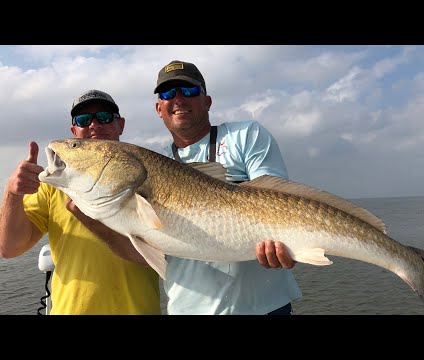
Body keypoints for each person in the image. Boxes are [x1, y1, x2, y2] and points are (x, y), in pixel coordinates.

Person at [153, 60, 302, 315]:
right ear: (159, 108)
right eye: (168, 93)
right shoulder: (156, 163)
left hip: (265, 307)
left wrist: (292, 245)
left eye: (189, 91)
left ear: (207, 101)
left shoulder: (245, 134)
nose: (178, 99)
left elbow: (279, 203)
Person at [0, 89, 161, 314]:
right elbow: (8, 248)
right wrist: (12, 193)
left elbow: (156, 255)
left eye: (104, 117)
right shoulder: (52, 184)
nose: (94, 125)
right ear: (74, 131)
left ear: (120, 124)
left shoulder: (150, 177)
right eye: (84, 120)